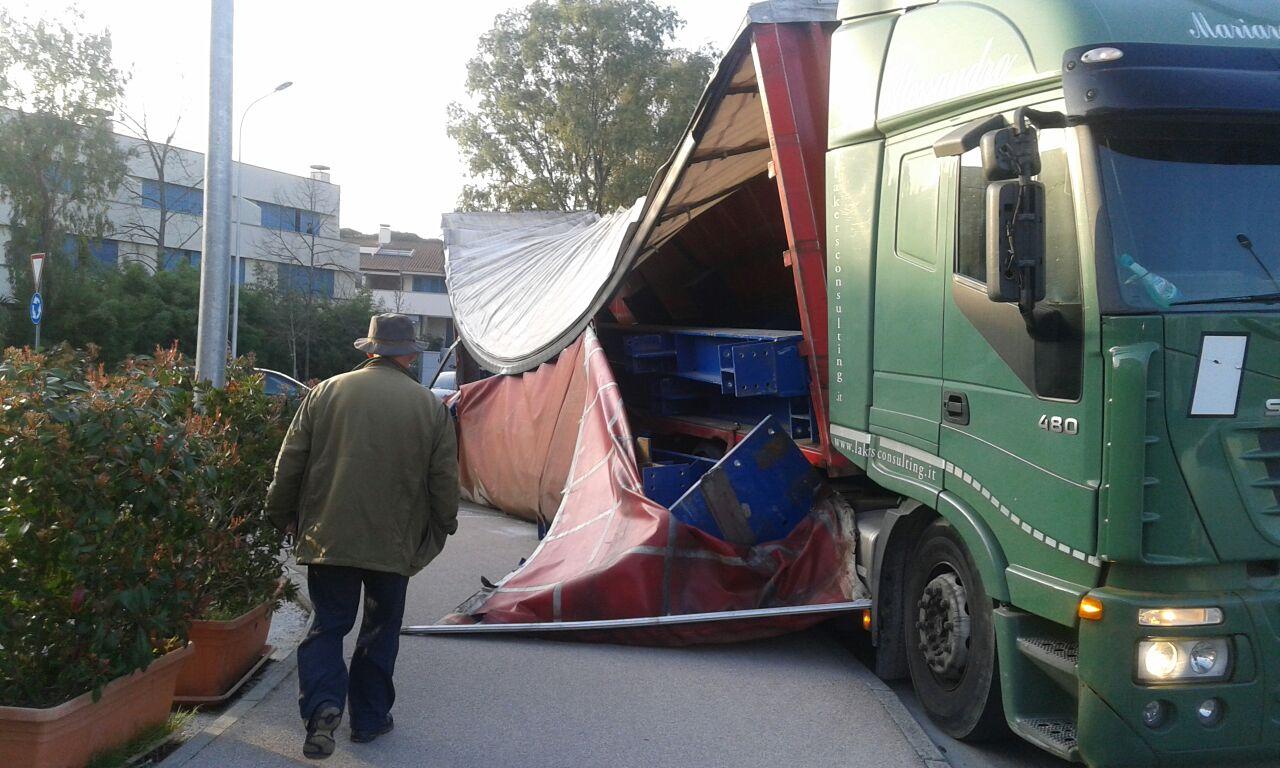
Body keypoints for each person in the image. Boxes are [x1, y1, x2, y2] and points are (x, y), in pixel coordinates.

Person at [266, 313, 460, 760]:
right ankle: (369, 720)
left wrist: (280, 513)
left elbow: (290, 461)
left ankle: (323, 706)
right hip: (395, 541)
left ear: (369, 350)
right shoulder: (428, 406)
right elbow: (444, 479)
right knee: (380, 627)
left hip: (329, 534)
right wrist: (443, 524)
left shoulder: (325, 393)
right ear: (410, 354)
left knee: (328, 624)